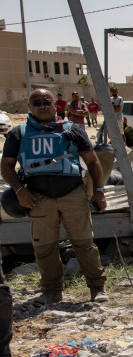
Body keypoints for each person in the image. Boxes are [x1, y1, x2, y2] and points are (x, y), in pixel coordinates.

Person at [0, 89, 108, 304]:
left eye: (46, 102)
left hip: (73, 194)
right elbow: (7, 165)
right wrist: (20, 191)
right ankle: (52, 291)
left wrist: (99, 191)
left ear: (55, 105)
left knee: (84, 243)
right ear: (29, 107)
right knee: (44, 246)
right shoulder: (18, 133)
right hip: (37, 198)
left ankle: (97, 287)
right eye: (37, 102)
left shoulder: (72, 131)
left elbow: (93, 161)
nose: (42, 106)